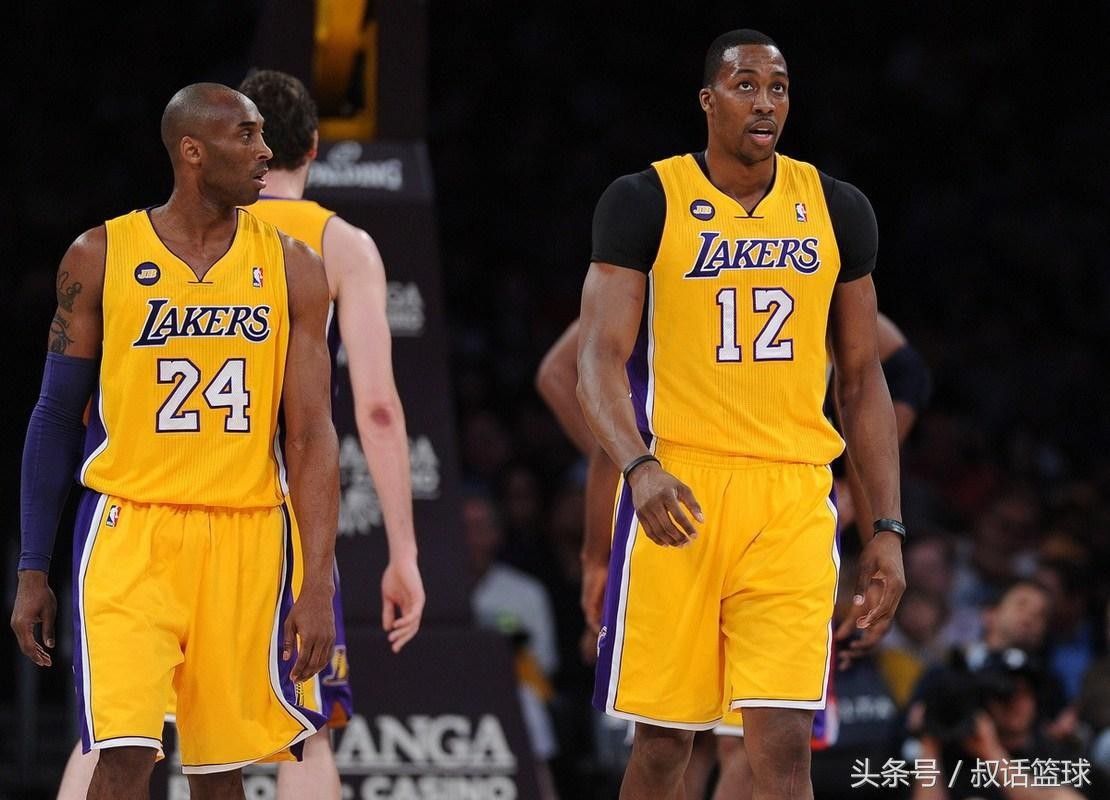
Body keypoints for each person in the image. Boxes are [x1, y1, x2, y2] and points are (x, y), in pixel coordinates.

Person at [53, 69, 428, 800]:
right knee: (303, 734)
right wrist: (403, 552)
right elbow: (375, 410)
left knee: (113, 735)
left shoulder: (182, 237)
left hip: (157, 520)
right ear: (312, 149)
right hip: (255, 525)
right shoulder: (336, 245)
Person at [576, 28, 906, 800]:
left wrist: (886, 528)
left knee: (784, 745)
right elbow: (595, 362)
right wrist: (639, 466)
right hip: (680, 490)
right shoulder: (644, 200)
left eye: (778, 88)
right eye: (746, 85)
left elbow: (863, 382)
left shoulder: (837, 208)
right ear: (708, 100)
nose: (765, 102)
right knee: (664, 746)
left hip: (793, 496)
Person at [11, 83, 339, 799]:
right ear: (192, 151)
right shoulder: (99, 254)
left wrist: (317, 581)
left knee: (220, 774)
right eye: (247, 136)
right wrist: (33, 566)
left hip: (246, 532)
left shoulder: (294, 266)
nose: (266, 153)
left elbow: (312, 434)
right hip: (130, 530)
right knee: (126, 753)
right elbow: (55, 416)